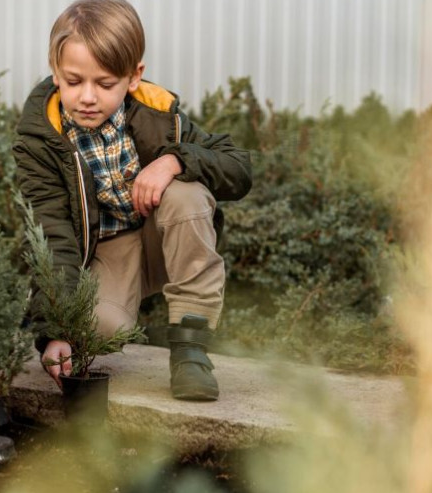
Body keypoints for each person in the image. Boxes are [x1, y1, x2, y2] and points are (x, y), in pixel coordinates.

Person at [13, 0, 252, 401]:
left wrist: (174, 160)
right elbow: (52, 232)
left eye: (105, 84)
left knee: (185, 193)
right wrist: (54, 331)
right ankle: (111, 320)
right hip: (111, 254)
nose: (87, 96)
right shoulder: (41, 140)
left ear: (133, 76)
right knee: (93, 333)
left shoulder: (158, 114)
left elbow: (239, 167)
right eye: (73, 81)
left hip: (164, 235)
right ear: (56, 71)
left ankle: (190, 350)